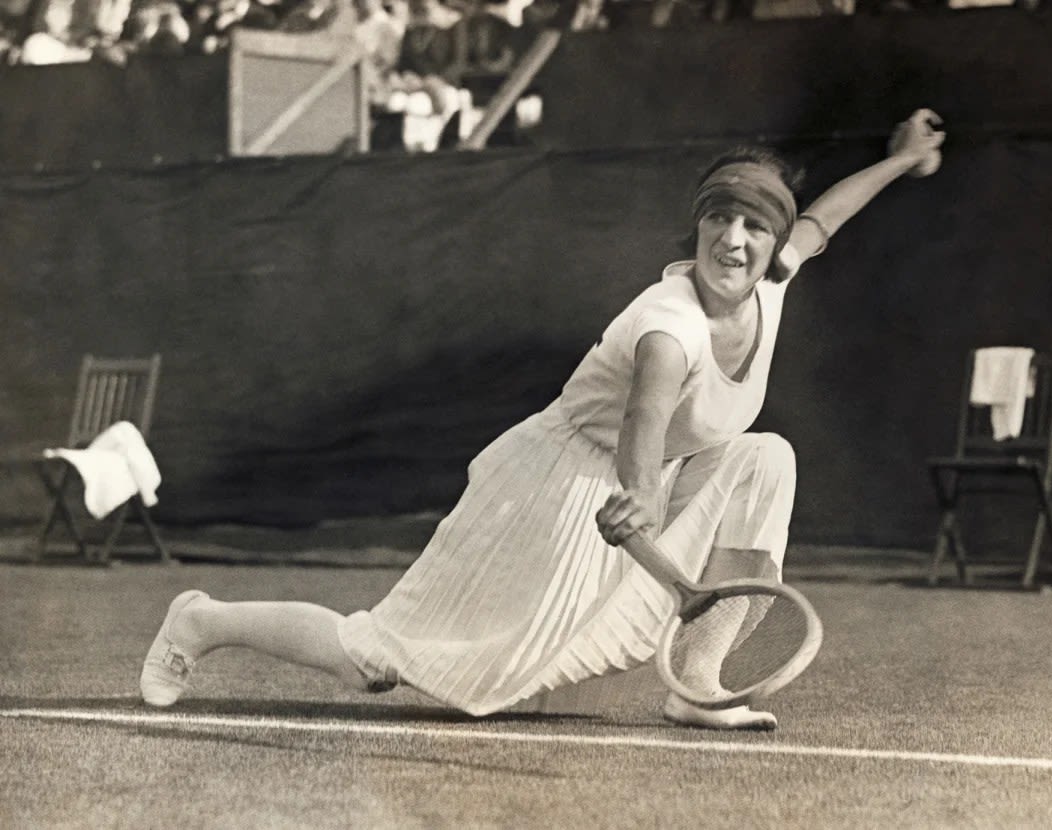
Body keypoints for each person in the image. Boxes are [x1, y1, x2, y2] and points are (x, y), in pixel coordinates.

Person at [141, 109, 946, 729]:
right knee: (384, 664)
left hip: (639, 486)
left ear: (772, 244)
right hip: (552, 490)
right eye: (718, 220)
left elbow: (825, 219)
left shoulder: (771, 283)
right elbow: (642, 428)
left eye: (755, 227)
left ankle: (698, 684)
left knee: (768, 457)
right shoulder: (668, 327)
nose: (733, 241)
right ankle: (204, 620)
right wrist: (644, 510)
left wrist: (905, 159)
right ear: (698, 225)